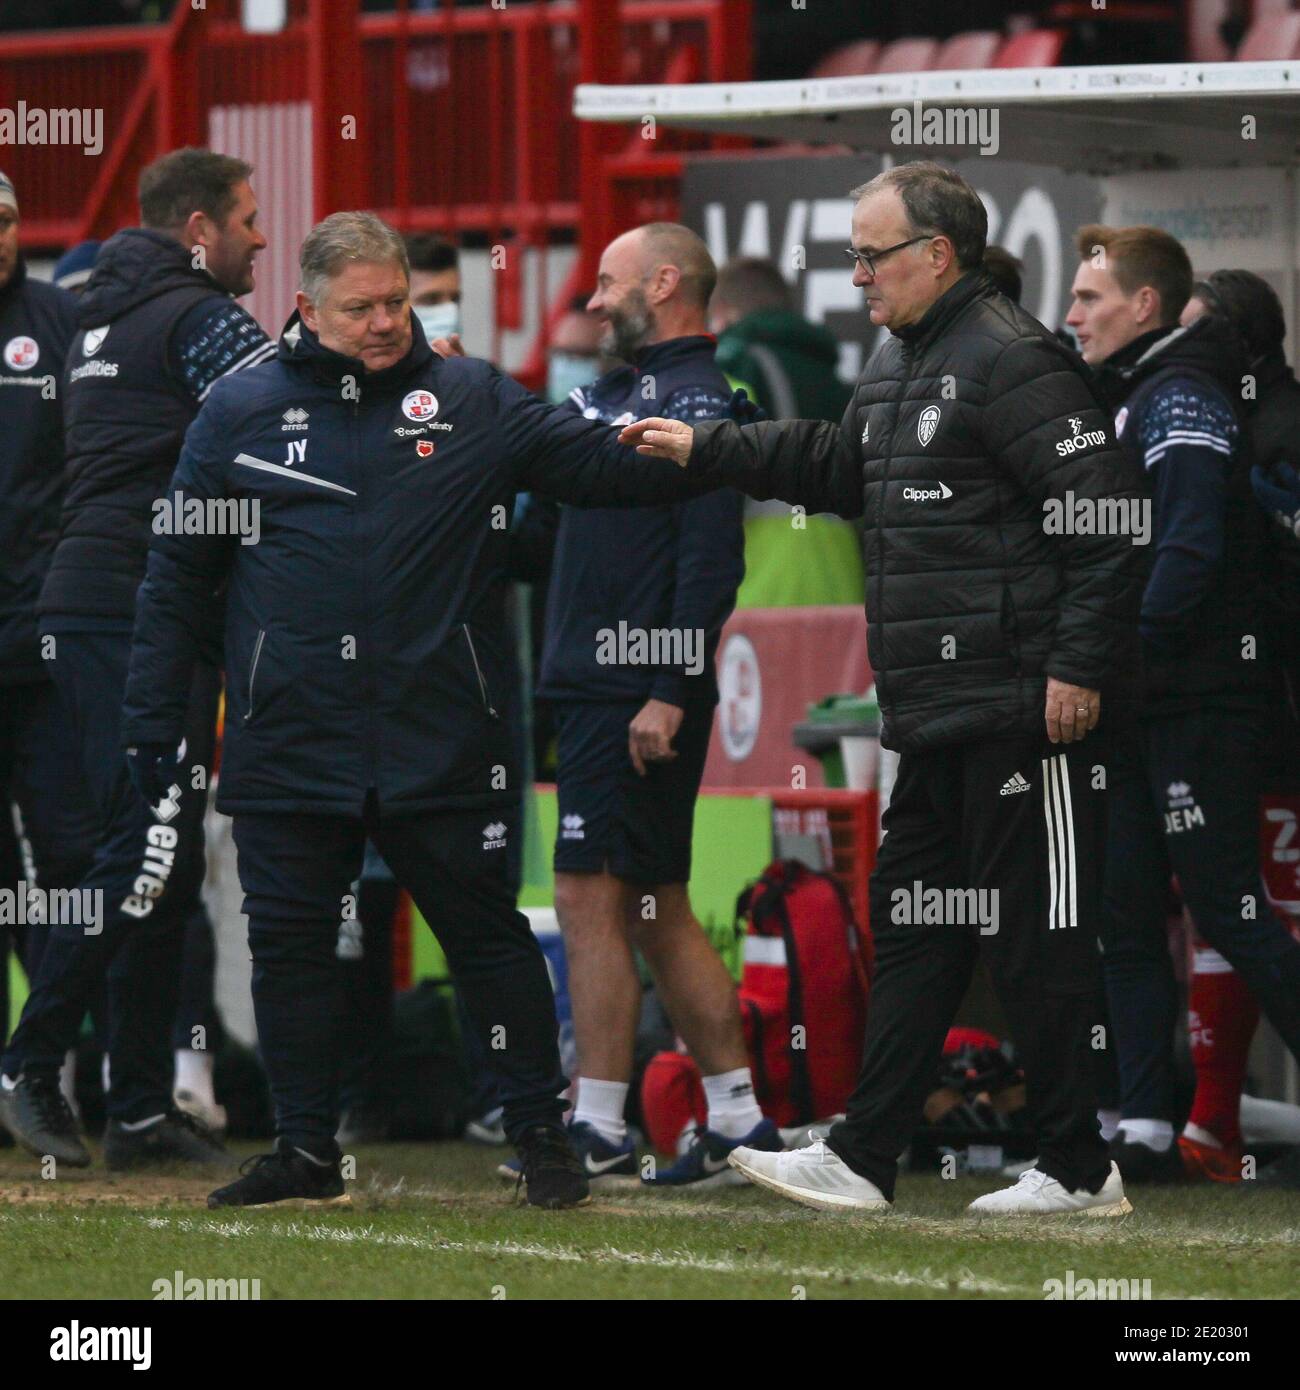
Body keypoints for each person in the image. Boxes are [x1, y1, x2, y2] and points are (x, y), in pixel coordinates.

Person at [119, 211, 715, 1210]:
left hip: (443, 732)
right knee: (292, 947)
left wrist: (703, 433)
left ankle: (540, 1136)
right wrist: (150, 720)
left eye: (397, 300)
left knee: (487, 938)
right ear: (305, 308)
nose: (387, 321)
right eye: (362, 308)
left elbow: (599, 466)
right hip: (289, 735)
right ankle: (306, 1148)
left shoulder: (471, 396)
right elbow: (176, 574)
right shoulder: (237, 410)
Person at [623, 161, 1148, 1217]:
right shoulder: (902, 354)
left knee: (1038, 935)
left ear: (935, 255)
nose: (856, 274)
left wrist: (1075, 667)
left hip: (1018, 710)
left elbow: (1111, 517)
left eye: (870, 255)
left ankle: (1079, 1167)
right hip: (934, 709)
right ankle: (866, 1153)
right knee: (911, 925)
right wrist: (708, 449)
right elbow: (835, 461)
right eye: (852, 255)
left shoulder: (1011, 356)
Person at [0, 148, 275, 1172]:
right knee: (149, 854)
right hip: (139, 606)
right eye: (248, 218)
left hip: (92, 605)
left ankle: (137, 1105)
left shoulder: (95, 312)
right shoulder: (199, 316)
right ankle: (32, 1060)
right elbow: (288, 414)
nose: (259, 235)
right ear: (198, 229)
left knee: (150, 855)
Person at [505, 223, 779, 1191]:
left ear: (663, 283)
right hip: (595, 682)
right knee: (654, 901)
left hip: (631, 687)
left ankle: (602, 1125)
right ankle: (739, 1119)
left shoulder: (701, 402)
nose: (590, 302)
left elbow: (712, 559)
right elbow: (538, 536)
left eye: (607, 282)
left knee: (592, 892)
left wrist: (666, 686)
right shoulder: (605, 396)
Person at [1068, 226, 1300, 1184]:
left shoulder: (1179, 397)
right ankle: (1149, 1133)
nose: (1072, 314)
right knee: (1123, 910)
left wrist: (1125, 658)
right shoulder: (1137, 395)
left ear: (1144, 308)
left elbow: (1191, 551)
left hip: (1198, 701)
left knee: (1229, 906)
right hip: (1146, 701)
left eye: (1089, 298)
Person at [0, 171, 97, 1084]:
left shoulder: (59, 328)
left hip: (45, 650)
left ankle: (61, 1061)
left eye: (3, 221)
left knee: (73, 853)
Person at [709, 254, 864, 608]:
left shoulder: (734, 366)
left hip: (762, 583)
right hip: (841, 580)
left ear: (724, 312)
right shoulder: (837, 382)